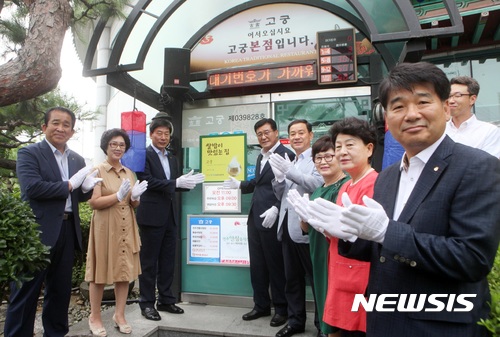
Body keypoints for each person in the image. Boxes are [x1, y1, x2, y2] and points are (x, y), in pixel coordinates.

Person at [332, 62, 499, 337]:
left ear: (446, 108)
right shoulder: (387, 177)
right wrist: (351, 235)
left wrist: (387, 232)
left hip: (438, 328)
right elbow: (383, 250)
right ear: (387, 117)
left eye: (423, 101)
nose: (411, 114)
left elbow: (472, 258)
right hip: (384, 321)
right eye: (398, 107)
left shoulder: (477, 166)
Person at [6, 106, 99, 337]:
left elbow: (76, 194)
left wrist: (86, 190)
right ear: (44, 127)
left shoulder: (77, 159)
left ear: (72, 131)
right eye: (55, 123)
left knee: (60, 291)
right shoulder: (29, 153)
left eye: (66, 125)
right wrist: (69, 185)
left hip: (67, 231)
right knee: (26, 292)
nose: (60, 128)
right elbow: (32, 188)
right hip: (36, 231)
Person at [306, 117, 377, 337]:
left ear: (369, 148)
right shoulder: (347, 185)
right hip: (337, 271)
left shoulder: (375, 183)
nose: (342, 152)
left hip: (359, 279)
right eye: (338, 147)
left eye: (350, 145)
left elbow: (371, 239)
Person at [224, 118, 295, 327]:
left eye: (267, 132)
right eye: (260, 134)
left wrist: (276, 206)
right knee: (258, 265)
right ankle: (261, 305)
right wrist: (239, 185)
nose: (263, 137)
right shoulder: (261, 156)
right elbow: (259, 184)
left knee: (275, 265)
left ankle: (281, 309)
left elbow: (290, 186)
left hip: (273, 218)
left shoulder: (286, 155)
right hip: (256, 217)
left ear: (275, 132)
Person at [136, 112, 205, 321]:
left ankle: (166, 300)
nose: (163, 137)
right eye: (159, 133)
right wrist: (176, 183)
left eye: (167, 134)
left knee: (168, 260)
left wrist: (187, 184)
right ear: (151, 134)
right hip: (151, 216)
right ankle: (146, 303)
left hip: (170, 216)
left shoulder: (172, 157)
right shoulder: (143, 155)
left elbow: (174, 184)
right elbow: (146, 181)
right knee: (149, 262)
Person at [85, 128, 148, 336]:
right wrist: (117, 196)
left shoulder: (128, 172)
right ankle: (94, 317)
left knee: (124, 273)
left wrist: (135, 197)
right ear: (106, 146)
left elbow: (133, 204)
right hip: (105, 227)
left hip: (126, 226)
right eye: (114, 144)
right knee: (99, 273)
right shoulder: (97, 171)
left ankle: (119, 315)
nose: (118, 148)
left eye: (121, 145)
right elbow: (93, 203)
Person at [289, 135, 350, 337]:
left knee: (340, 310)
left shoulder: (346, 186)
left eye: (328, 156)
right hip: (319, 257)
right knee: (324, 299)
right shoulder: (316, 191)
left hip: (339, 260)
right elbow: (307, 230)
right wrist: (304, 218)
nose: (323, 162)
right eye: (318, 158)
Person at [269, 120, 324, 337]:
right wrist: (279, 179)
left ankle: (322, 325)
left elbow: (317, 185)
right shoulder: (292, 159)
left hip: (307, 230)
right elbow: (281, 195)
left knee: (317, 280)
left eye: (301, 133)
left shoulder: (318, 158)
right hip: (287, 228)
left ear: (310, 135)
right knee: (292, 280)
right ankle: (295, 321)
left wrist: (290, 172)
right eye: (293, 134)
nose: (297, 137)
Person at [446, 75, 500, 158]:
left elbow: (489, 166)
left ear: (472, 99)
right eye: (449, 96)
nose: (451, 101)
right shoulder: (439, 130)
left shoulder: (489, 132)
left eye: (457, 95)